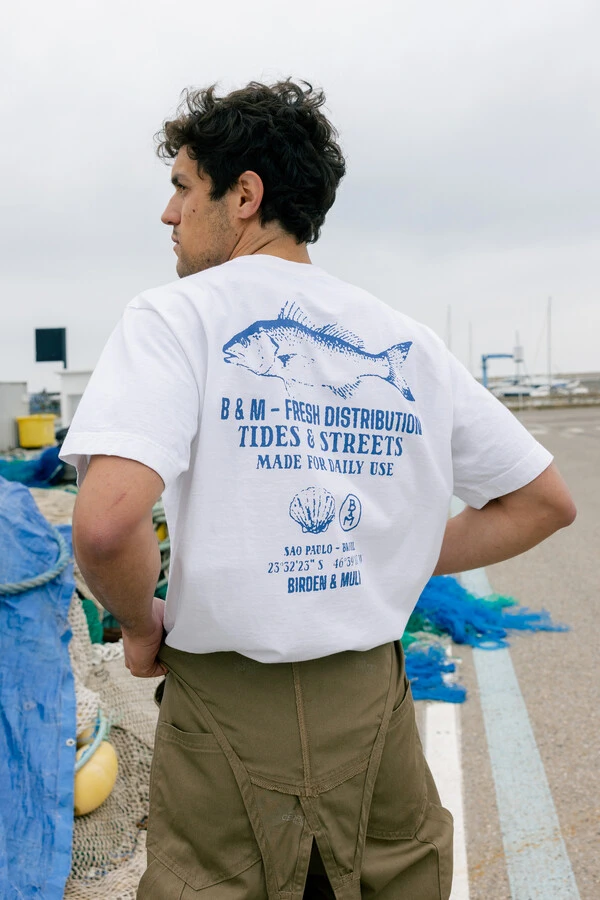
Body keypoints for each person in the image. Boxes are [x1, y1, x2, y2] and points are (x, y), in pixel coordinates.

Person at [60, 80, 576, 900]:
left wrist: (138, 624)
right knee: (395, 877)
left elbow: (105, 521)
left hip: (224, 711)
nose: (168, 214)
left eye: (183, 188)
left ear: (244, 195)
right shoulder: (407, 340)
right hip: (374, 709)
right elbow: (544, 502)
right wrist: (388, 559)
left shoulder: (176, 317)